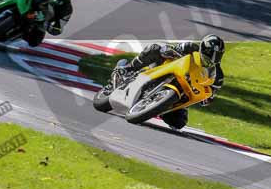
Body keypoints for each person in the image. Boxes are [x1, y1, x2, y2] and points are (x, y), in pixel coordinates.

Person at [96, 34, 225, 130]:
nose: (212, 56)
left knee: (179, 123)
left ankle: (155, 106)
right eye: (210, 52)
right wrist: (169, 51)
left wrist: (207, 98)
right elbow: (171, 49)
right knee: (155, 48)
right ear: (203, 47)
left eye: (217, 54)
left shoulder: (217, 75)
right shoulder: (190, 47)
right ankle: (128, 68)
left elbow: (210, 95)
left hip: (181, 93)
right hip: (165, 68)